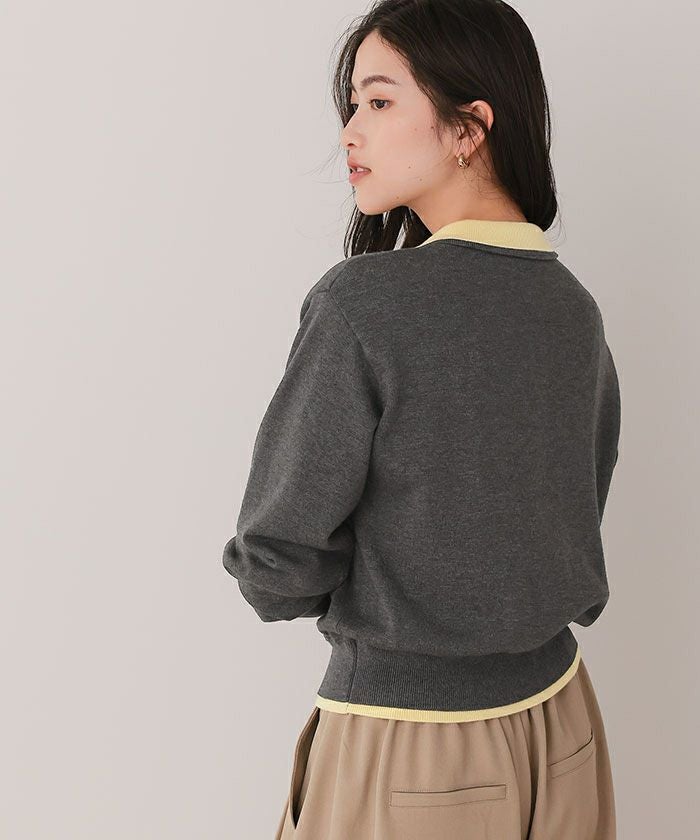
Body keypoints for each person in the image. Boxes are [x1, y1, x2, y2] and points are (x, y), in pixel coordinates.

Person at [222, 1, 621, 837]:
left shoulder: (366, 305)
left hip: (413, 748)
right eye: (353, 105)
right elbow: (573, 505)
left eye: (379, 100)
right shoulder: (571, 307)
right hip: (565, 726)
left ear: (469, 126)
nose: (349, 134)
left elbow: (276, 563)